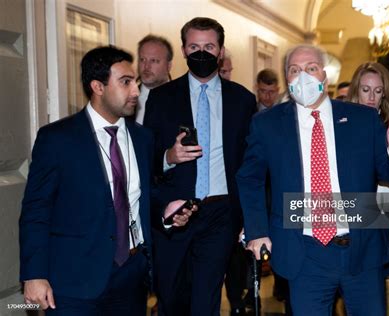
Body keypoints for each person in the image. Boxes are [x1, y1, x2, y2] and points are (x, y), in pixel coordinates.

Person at [236, 44, 389, 315]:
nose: (304, 76)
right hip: (304, 253)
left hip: (361, 250)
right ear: (287, 79)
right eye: (295, 70)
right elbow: (250, 178)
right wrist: (257, 230)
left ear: (324, 77)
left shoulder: (362, 120)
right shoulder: (268, 124)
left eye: (311, 68)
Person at [19, 46, 194, 316]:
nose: (136, 91)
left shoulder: (143, 138)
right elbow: (36, 211)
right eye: (125, 82)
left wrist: (166, 212)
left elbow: (142, 194)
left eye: (135, 82)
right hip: (74, 282)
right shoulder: (57, 139)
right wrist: (34, 274)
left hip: (132, 276)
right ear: (97, 86)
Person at [143, 17, 256, 315]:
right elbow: (145, 159)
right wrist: (169, 157)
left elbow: (251, 162)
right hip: (175, 211)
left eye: (209, 46)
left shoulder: (243, 100)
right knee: (171, 297)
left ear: (220, 51)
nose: (201, 53)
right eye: (194, 46)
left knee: (206, 300)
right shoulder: (161, 98)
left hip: (221, 212)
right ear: (183, 50)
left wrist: (249, 217)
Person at [347, 61, 389, 312]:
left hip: (380, 220)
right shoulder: (339, 128)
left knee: (373, 289)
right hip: (346, 219)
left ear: (384, 93)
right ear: (356, 91)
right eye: (365, 89)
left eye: (377, 90)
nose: (371, 97)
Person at [135, 34, 173, 124]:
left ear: (169, 66)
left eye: (154, 61)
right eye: (142, 59)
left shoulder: (183, 100)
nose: (146, 66)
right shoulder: (126, 99)